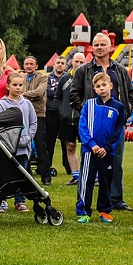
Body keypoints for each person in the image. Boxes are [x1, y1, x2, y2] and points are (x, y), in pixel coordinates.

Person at [69, 32, 133, 212]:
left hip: (115, 126)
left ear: (110, 47)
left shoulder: (120, 70)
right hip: (92, 127)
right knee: (88, 165)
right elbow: (73, 95)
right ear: (93, 47)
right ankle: (84, 202)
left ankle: (115, 199)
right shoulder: (84, 70)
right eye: (96, 45)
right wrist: (89, 111)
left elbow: (131, 94)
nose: (99, 48)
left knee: (115, 162)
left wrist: (123, 114)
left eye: (102, 44)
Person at [76, 72, 126, 224]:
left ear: (110, 86)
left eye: (104, 85)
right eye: (98, 86)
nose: (102, 88)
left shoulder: (119, 107)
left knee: (105, 181)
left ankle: (104, 211)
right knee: (86, 181)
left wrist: (107, 146)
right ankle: (83, 211)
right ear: (94, 89)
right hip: (90, 151)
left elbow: (119, 130)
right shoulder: (89, 105)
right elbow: (83, 126)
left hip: (107, 152)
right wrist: (92, 144)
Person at [0, 72, 37, 212]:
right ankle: (1, 200)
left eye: (20, 85)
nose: (18, 88)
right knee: (5, 175)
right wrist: (12, 141)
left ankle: (20, 200)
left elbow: (33, 123)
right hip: (8, 148)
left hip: (24, 148)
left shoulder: (27, 104)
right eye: (15, 85)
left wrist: (27, 138)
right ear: (8, 86)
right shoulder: (2, 104)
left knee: (22, 174)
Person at [56, 51, 85, 184]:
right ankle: (76, 176)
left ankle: (90, 176)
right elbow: (58, 97)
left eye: (81, 62)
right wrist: (61, 111)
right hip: (66, 120)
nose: (78, 64)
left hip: (83, 119)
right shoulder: (64, 78)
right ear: (71, 62)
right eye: (76, 61)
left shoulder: (87, 79)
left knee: (87, 147)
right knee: (70, 146)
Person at [21, 56, 49, 185]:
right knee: (24, 144)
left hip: (38, 114)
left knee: (40, 144)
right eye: (27, 64)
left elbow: (39, 93)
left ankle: (46, 176)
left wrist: (23, 94)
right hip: (23, 114)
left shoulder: (43, 77)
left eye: (32, 64)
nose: (29, 66)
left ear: (36, 66)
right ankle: (27, 175)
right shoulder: (21, 77)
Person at [42, 55, 67, 185]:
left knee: (66, 142)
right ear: (54, 64)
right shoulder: (47, 77)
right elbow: (47, 92)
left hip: (63, 113)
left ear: (65, 65)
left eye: (63, 63)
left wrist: (56, 92)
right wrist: (59, 92)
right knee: (49, 142)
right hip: (50, 112)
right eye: (58, 62)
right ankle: (48, 166)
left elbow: (67, 93)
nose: (60, 65)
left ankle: (68, 166)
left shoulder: (68, 78)